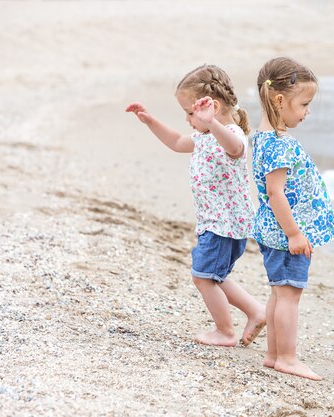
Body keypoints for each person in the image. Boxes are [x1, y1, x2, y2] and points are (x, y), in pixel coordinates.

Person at [125, 64, 265, 347]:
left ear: (213, 107)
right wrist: (150, 121)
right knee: (216, 276)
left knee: (203, 277)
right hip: (216, 223)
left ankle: (225, 331)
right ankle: (255, 311)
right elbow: (177, 142)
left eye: (191, 112)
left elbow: (235, 149)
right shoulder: (203, 137)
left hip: (224, 225)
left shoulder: (231, 134)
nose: (189, 119)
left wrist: (211, 122)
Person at [251, 57, 334, 380]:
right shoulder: (278, 146)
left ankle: (274, 354)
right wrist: (294, 234)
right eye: (304, 104)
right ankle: (287, 357)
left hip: (272, 232)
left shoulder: (263, 138)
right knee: (289, 294)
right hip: (284, 234)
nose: (307, 112)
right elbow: (275, 194)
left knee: (279, 292)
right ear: (279, 100)